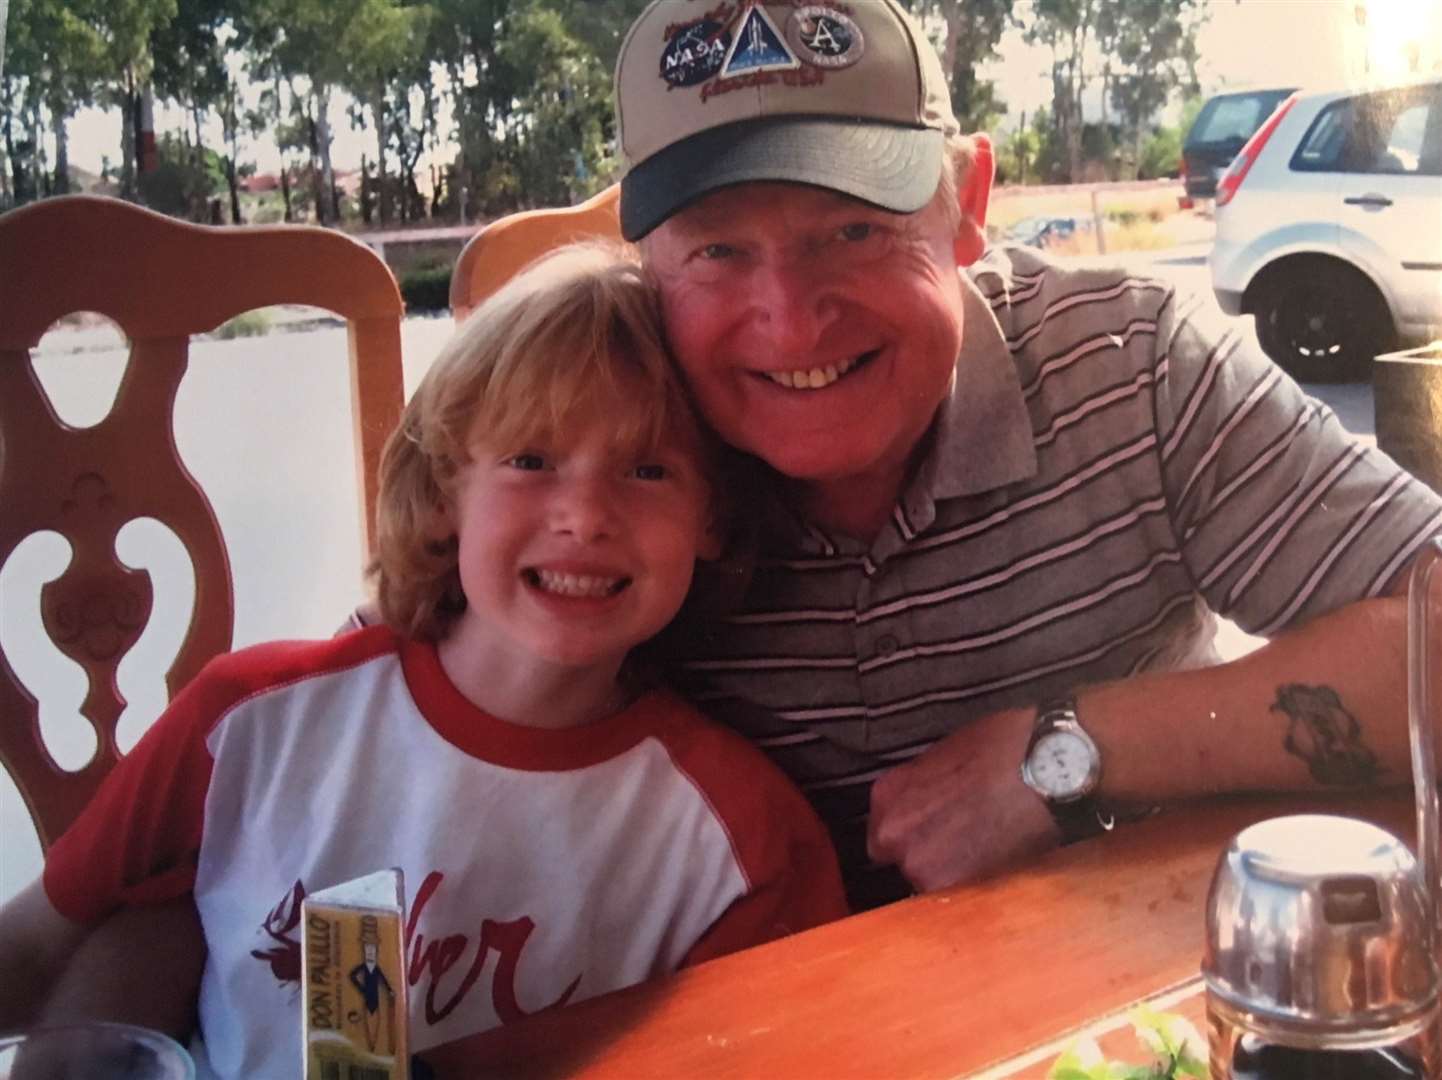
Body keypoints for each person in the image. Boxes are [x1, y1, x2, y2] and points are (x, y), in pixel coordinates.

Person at [611, 0, 1442, 909]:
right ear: (648, 261)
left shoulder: (1129, 362)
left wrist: (1070, 753)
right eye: (718, 250)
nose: (792, 317)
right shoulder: (592, 443)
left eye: (854, 230)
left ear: (966, 206)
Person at [0, 243, 847, 1074]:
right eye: (530, 460)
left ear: (713, 520)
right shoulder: (248, 723)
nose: (584, 516)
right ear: (446, 492)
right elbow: (38, 942)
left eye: (649, 469)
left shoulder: (742, 845)